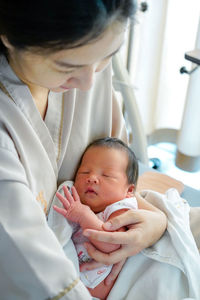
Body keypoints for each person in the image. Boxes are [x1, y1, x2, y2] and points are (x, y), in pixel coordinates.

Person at [0, 1, 169, 299]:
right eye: (68, 67)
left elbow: (123, 180)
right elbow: (36, 274)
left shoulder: (88, 58)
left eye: (107, 56)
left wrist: (155, 221)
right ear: (8, 36)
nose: (89, 83)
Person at [53, 137, 139, 299]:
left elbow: (113, 244)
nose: (92, 178)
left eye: (107, 175)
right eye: (84, 172)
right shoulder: (74, 199)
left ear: (129, 190)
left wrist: (84, 216)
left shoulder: (120, 208)